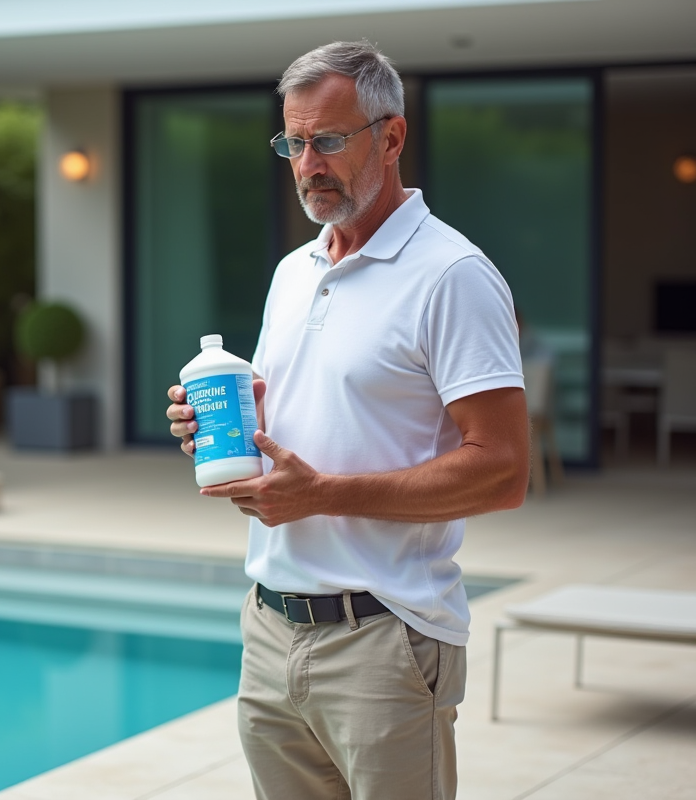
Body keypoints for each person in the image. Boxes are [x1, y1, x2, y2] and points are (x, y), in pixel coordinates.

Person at [165, 41, 529, 800]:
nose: (308, 164)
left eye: (328, 140)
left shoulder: (452, 276)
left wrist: (324, 493)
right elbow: (295, 418)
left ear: (390, 137)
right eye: (293, 144)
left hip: (385, 638)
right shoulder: (293, 271)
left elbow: (502, 471)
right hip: (269, 627)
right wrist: (218, 425)